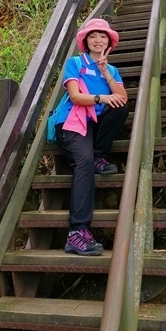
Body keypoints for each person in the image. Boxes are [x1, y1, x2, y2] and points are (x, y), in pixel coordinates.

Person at [54, 18, 129, 256]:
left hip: (95, 126)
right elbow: (75, 97)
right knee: (83, 164)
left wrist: (105, 71)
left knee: (120, 106)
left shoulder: (112, 69)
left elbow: (122, 97)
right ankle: (77, 233)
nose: (98, 40)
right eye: (93, 36)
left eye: (103, 36)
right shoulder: (76, 63)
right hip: (73, 124)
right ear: (86, 41)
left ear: (109, 42)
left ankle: (99, 155)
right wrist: (101, 98)